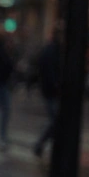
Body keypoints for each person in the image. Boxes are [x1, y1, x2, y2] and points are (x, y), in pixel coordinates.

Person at [33, 29, 62, 158]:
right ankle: (40, 144)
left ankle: (44, 145)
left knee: (56, 120)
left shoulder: (53, 50)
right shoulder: (51, 51)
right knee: (55, 120)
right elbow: (49, 71)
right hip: (51, 91)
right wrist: (55, 85)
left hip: (50, 90)